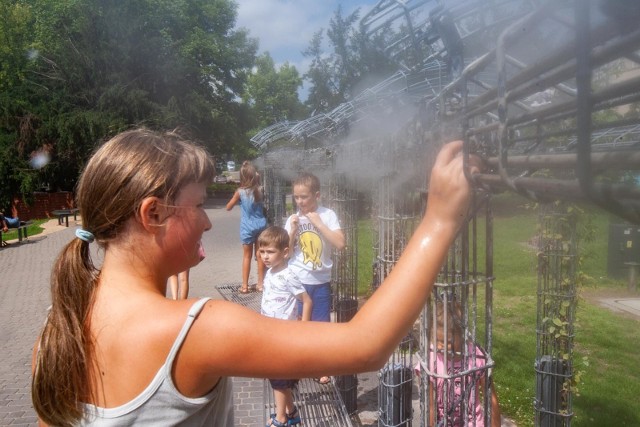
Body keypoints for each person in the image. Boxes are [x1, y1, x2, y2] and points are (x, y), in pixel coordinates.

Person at [30, 128, 477, 427]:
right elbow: (367, 345)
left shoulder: (57, 329)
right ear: (153, 214)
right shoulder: (195, 328)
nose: (208, 223)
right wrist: (438, 220)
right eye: (200, 204)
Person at [285, 172, 345, 384]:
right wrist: (291, 232)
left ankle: (320, 366)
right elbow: (286, 253)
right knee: (299, 323)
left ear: (316, 195)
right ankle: (299, 363)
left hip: (320, 280)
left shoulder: (327, 215)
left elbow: (339, 243)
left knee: (320, 325)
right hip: (298, 278)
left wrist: (319, 224)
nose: (300, 201)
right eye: (296, 197)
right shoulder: (293, 219)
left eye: (304, 197)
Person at [257, 226, 312, 427]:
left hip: (283, 336)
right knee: (278, 377)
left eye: (270, 252)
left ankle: (280, 419)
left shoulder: (288, 275)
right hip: (270, 333)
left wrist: (303, 329)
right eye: (262, 252)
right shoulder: (270, 272)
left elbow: (306, 300)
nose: (265, 256)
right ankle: (292, 412)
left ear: (285, 252)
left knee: (279, 378)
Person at [421, 295, 501, 427]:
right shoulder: (432, 358)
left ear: (461, 335)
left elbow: (490, 398)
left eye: (446, 342)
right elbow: (429, 405)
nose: (440, 346)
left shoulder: (476, 356)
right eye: (436, 340)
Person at [226, 160, 268, 293]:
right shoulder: (260, 190)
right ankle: (261, 284)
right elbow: (258, 182)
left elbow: (228, 207)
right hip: (261, 225)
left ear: (242, 177)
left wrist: (237, 201)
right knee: (260, 254)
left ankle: (245, 286)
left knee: (247, 256)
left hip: (247, 227)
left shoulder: (240, 192)